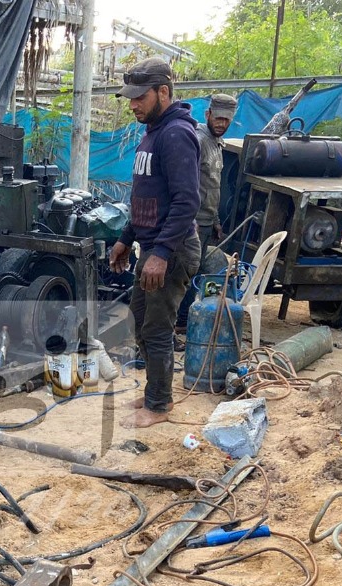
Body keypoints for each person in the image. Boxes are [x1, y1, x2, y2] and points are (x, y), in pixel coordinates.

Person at [109, 57, 202, 428]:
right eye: (130, 98)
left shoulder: (176, 134)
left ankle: (159, 405)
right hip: (152, 247)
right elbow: (146, 200)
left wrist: (161, 253)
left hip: (172, 250)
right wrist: (125, 238)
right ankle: (155, 392)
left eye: (140, 97)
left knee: (158, 329)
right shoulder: (153, 131)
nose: (132, 104)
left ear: (163, 92)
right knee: (140, 322)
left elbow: (186, 201)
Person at [176, 92, 239, 333]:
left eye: (226, 120)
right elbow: (187, 184)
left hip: (206, 221)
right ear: (208, 114)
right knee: (186, 272)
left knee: (197, 271)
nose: (221, 124)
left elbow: (212, 186)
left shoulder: (217, 143)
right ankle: (179, 322)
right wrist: (188, 220)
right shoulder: (199, 140)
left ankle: (183, 321)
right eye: (218, 118)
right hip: (192, 222)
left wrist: (216, 220)